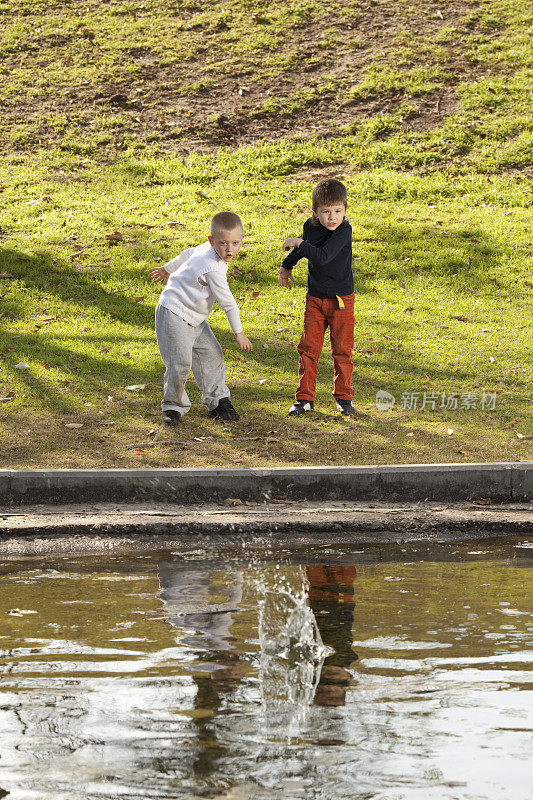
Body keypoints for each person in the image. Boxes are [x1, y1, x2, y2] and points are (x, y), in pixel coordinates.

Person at [150, 211, 252, 425]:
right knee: (180, 362)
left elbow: (187, 254)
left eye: (235, 243)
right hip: (174, 313)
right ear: (211, 240)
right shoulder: (213, 267)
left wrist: (167, 269)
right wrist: (239, 333)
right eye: (223, 243)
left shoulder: (207, 249)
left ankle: (218, 400)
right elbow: (228, 304)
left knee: (212, 354)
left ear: (243, 238)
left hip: (194, 318)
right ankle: (173, 407)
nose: (229, 249)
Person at [277, 178, 355, 417]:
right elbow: (304, 248)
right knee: (309, 348)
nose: (332, 218)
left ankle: (344, 398)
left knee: (342, 349)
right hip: (315, 299)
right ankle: (304, 399)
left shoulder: (344, 231)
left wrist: (299, 243)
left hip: (341, 300)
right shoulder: (310, 227)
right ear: (315, 212)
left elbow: (321, 256)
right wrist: (287, 265)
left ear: (345, 210)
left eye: (338, 211)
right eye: (326, 212)